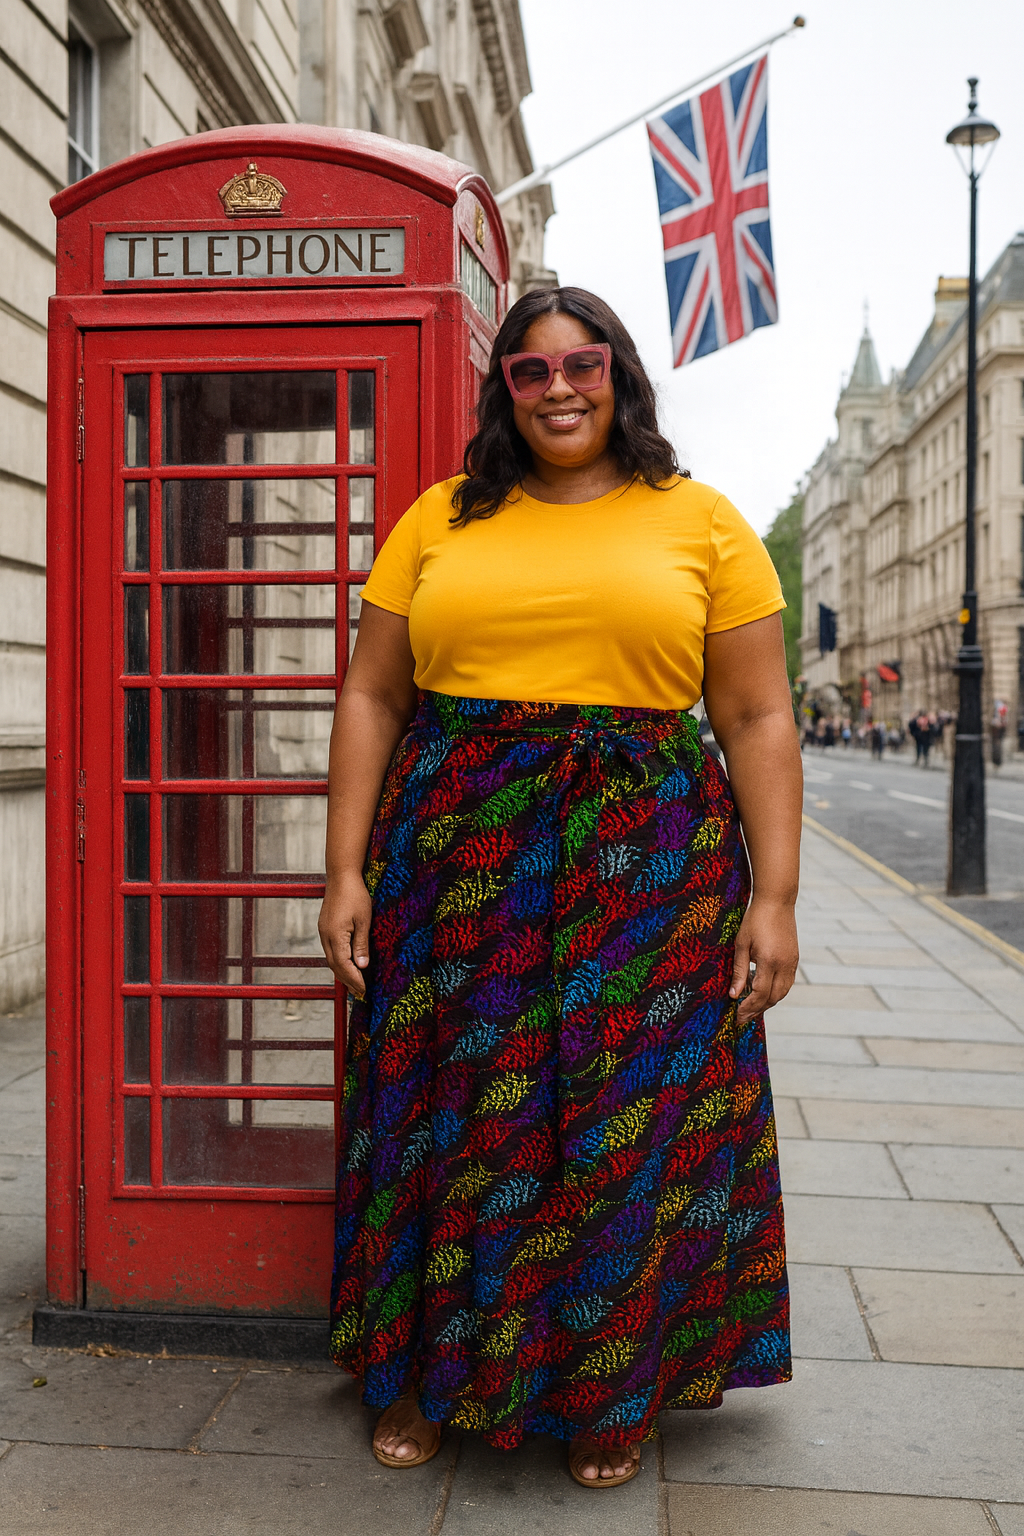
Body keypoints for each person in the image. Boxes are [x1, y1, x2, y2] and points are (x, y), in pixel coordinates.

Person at [318, 286, 801, 1488]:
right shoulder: (440, 517)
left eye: (581, 364)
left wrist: (775, 898)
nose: (559, 389)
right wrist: (341, 870)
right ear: (504, 390)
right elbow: (372, 693)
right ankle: (429, 1376)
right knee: (455, 1118)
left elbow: (755, 715)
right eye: (529, 371)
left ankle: (609, 1391)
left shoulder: (702, 521)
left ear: (618, 374)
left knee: (622, 1124)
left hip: (648, 864)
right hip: (456, 860)